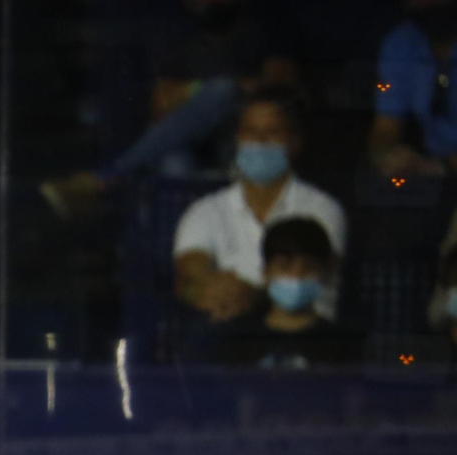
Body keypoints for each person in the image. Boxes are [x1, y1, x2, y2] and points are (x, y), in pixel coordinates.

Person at [41, 0, 295, 217]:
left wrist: (225, 89)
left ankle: (105, 179)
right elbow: (160, 108)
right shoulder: (183, 41)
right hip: (192, 139)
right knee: (174, 161)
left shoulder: (259, 26)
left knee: (223, 90)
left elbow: (280, 81)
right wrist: (199, 92)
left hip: (244, 137)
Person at [172, 88, 345, 325]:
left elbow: (309, 278)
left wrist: (250, 297)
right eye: (250, 132)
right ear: (237, 140)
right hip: (230, 340)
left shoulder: (323, 209)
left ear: (294, 142)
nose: (260, 141)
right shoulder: (204, 212)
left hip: (309, 341)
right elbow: (188, 277)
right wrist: (205, 292)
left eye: (272, 132)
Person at [214, 217, 357, 367]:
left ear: (324, 273)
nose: (296, 277)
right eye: (284, 267)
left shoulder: (341, 345)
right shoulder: (239, 342)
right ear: (266, 273)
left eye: (309, 267)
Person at [369, 0, 457, 177]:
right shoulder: (401, 42)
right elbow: (385, 127)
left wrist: (440, 167)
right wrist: (386, 154)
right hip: (435, 175)